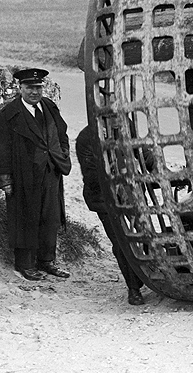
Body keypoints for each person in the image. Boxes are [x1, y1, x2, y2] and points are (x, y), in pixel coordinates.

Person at [0, 68, 72, 281]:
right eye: (30, 87)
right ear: (20, 88)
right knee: (25, 218)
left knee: (50, 218)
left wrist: (63, 154)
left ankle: (46, 260)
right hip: (23, 176)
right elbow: (2, 148)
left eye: (38, 87)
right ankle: (25, 264)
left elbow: (62, 133)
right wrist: (5, 179)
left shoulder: (49, 107)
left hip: (50, 172)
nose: (34, 92)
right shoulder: (8, 114)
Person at [75, 123, 145, 305]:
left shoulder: (125, 125)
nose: (114, 117)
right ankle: (134, 288)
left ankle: (144, 275)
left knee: (142, 233)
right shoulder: (86, 138)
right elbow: (91, 176)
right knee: (121, 241)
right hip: (104, 197)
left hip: (130, 191)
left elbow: (139, 149)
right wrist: (117, 179)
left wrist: (152, 169)